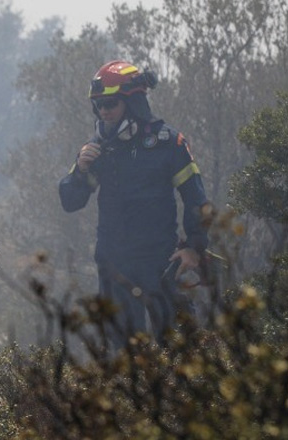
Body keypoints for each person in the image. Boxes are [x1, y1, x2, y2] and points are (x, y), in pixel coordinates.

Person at [59, 60, 210, 350]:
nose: (104, 111)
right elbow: (71, 202)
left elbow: (196, 198)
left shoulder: (169, 143)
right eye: (98, 105)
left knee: (181, 352)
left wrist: (193, 247)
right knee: (123, 358)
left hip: (162, 261)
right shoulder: (99, 148)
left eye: (110, 103)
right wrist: (79, 171)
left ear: (133, 102)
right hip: (114, 264)